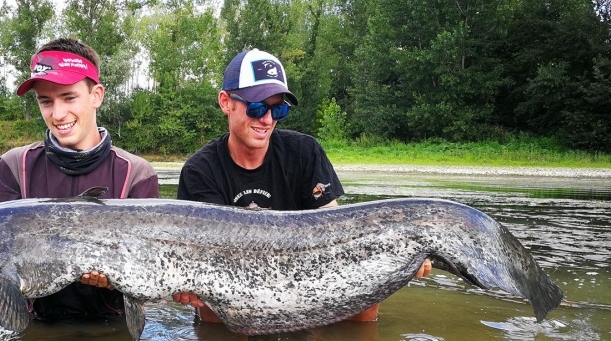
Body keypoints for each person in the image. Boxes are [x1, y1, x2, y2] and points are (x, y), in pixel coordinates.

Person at [172, 48, 432, 322]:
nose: (267, 119)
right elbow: (200, 256)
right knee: (209, 303)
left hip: (306, 275)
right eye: (257, 107)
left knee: (367, 298)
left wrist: (403, 259)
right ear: (226, 102)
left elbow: (336, 230)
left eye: (278, 109)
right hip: (231, 280)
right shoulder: (199, 170)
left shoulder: (304, 151)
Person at [0, 37, 159, 322]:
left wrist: (113, 279)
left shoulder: (137, 173)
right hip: (37, 324)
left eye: (69, 98)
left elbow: (147, 273)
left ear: (97, 95)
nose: (58, 114)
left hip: (111, 325)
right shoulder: (14, 165)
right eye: (46, 101)